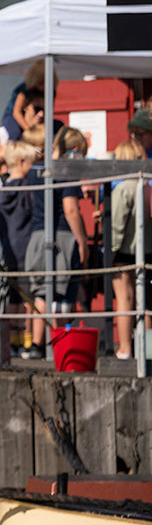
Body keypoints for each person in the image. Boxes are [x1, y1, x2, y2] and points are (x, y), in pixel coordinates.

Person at [23, 126, 90, 358]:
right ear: (73, 151)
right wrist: (82, 241)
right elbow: (71, 209)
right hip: (61, 238)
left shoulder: (35, 169)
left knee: (41, 293)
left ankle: (37, 345)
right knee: (62, 294)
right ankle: (60, 346)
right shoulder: (66, 171)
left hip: (37, 236)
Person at [0, 139, 39, 355]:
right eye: (30, 163)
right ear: (21, 162)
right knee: (29, 298)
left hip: (9, 250)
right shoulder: (27, 191)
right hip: (28, 250)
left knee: (13, 297)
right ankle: (29, 341)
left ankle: (13, 341)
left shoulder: (1, 193)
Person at [108, 138, 149, 361]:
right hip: (146, 250)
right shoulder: (148, 188)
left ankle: (125, 349)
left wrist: (110, 249)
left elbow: (117, 222)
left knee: (124, 298)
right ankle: (147, 348)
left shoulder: (123, 188)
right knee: (144, 300)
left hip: (123, 251)